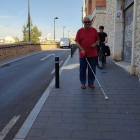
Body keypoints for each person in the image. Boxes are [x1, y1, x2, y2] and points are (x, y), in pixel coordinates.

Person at [75, 17, 100, 89]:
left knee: (92, 69)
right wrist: (81, 49)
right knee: (82, 69)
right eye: (85, 22)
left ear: (90, 22)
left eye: (88, 22)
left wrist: (95, 44)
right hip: (83, 54)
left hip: (93, 54)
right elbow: (77, 42)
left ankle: (91, 82)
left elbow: (97, 40)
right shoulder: (80, 31)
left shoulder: (94, 30)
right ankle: (83, 83)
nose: (87, 23)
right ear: (83, 23)